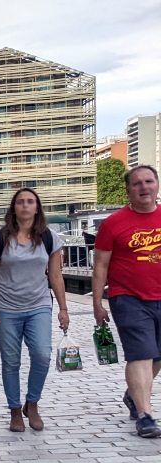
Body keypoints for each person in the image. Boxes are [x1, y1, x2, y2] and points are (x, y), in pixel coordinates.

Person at [0, 188, 68, 433]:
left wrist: (63, 308)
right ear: (14, 208)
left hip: (39, 305)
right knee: (10, 361)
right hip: (6, 307)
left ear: (37, 208)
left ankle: (32, 403)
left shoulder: (49, 238)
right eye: (20, 202)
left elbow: (55, 275)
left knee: (42, 355)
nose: (25, 205)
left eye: (30, 202)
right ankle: (14, 410)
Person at [92, 165, 161, 438]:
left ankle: (134, 394)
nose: (144, 187)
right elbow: (100, 266)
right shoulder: (113, 224)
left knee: (157, 355)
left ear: (156, 185)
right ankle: (145, 415)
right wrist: (97, 303)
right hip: (129, 298)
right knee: (141, 354)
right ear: (128, 190)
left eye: (148, 181)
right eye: (137, 184)